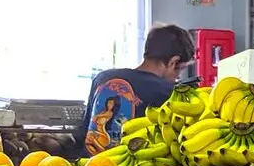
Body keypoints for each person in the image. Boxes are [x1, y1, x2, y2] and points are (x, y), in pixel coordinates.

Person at [74, 24, 194, 156]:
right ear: (173, 62)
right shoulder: (168, 92)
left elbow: (81, 134)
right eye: (181, 69)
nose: (178, 77)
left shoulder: (102, 78)